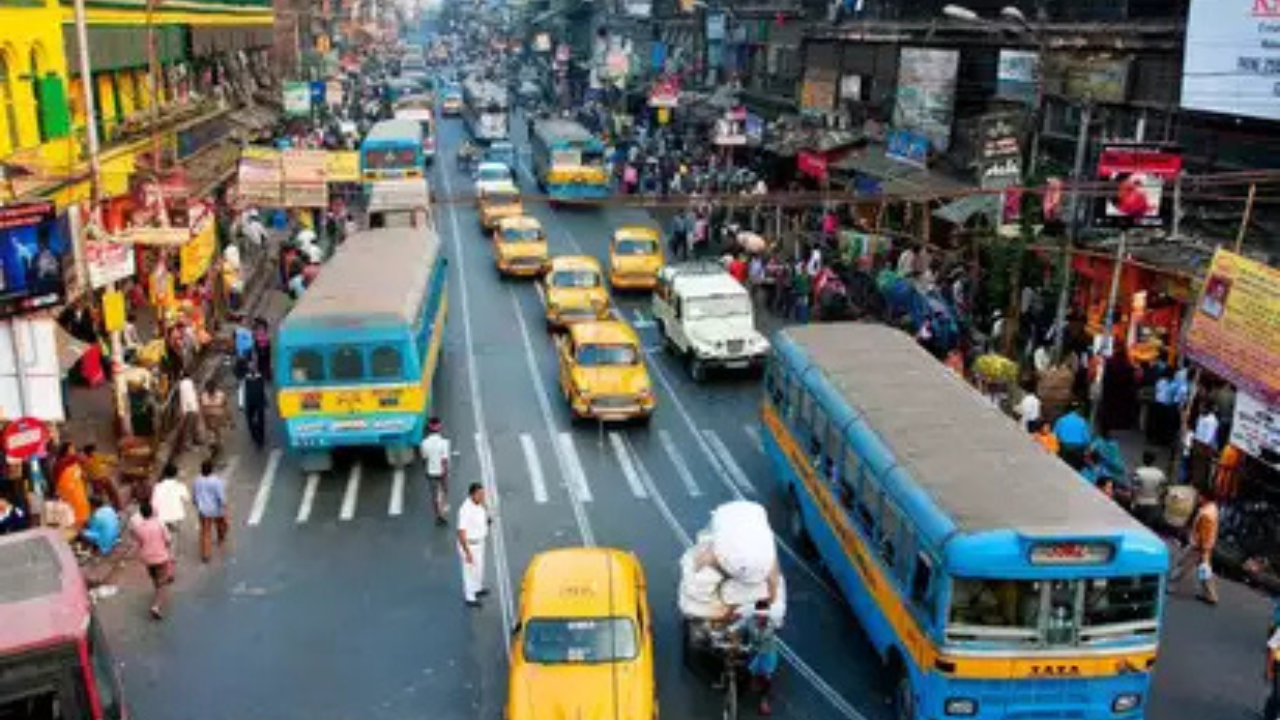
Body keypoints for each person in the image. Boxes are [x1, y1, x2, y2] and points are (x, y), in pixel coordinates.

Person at [1170, 486, 1219, 605]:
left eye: (1200, 496)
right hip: (1203, 546)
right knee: (1204, 570)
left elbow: (1204, 534)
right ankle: (1211, 595)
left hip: (1198, 546)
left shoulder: (1207, 513)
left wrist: (1202, 550)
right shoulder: (1211, 509)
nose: (1198, 498)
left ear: (1205, 497)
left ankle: (1169, 584)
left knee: (1183, 565)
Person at [731, 600, 780, 715]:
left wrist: (743, 647)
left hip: (767, 652)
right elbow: (737, 626)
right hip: (754, 651)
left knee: (766, 678)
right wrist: (730, 631)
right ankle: (743, 689)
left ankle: (764, 700)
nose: (762, 618)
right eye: (759, 615)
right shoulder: (750, 620)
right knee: (748, 673)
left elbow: (759, 640)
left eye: (764, 616)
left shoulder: (771, 625)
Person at [130, 500, 173, 620]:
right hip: (160, 557)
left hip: (147, 558)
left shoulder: (139, 527)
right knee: (162, 582)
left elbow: (138, 542)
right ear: (152, 512)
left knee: (154, 577)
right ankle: (156, 606)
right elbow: (168, 540)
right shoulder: (160, 524)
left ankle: (157, 594)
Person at [457, 482, 489, 607]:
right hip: (469, 545)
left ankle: (477, 589)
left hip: (479, 542)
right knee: (469, 571)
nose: (482, 496)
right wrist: (467, 552)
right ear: (472, 495)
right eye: (480, 494)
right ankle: (470, 597)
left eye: (483, 493)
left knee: (479, 568)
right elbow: (461, 532)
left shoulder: (479, 504)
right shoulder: (465, 510)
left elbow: (482, 517)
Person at [193, 459, 229, 563]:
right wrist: (224, 506)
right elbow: (221, 497)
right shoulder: (216, 481)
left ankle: (206, 554)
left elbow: (195, 496)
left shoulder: (197, 480)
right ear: (211, 470)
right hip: (216, 509)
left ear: (201, 470)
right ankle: (221, 538)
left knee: (205, 532)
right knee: (221, 524)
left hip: (203, 511)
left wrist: (197, 504)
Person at [420, 417, 452, 526]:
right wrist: (445, 472)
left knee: (434, 495)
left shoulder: (424, 443)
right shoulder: (444, 442)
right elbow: (444, 460)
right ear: (439, 427)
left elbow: (424, 459)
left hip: (430, 472)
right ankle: (443, 509)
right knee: (444, 491)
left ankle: (438, 515)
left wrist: (425, 471)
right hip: (441, 472)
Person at [151, 463, 192, 540]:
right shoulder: (180, 486)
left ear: (165, 474)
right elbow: (187, 499)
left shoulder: (158, 486)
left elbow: (153, 503)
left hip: (162, 517)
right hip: (176, 517)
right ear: (176, 474)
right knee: (172, 539)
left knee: (164, 539)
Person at [1131, 451, 1167, 527]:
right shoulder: (1160, 473)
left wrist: (1133, 502)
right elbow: (1164, 490)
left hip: (1140, 503)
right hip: (1153, 504)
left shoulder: (1139, 472)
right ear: (1154, 460)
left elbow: (1134, 489)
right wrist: (1159, 499)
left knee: (1136, 526)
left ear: (1143, 459)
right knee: (1148, 527)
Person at [1053, 402, 1092, 469]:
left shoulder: (1061, 420)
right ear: (1078, 410)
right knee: (1076, 470)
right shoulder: (1082, 421)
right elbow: (1086, 438)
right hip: (1078, 448)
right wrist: (1087, 450)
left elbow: (1054, 435)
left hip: (1064, 447)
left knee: (1063, 468)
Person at [240, 359, 269, 448]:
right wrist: (241, 404)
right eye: (250, 365)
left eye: (253, 365)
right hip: (249, 403)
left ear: (256, 367)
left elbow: (264, 389)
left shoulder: (260, 377)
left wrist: (266, 401)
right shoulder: (245, 378)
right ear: (248, 367)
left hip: (259, 401)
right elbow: (241, 391)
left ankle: (261, 440)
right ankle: (255, 435)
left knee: (261, 421)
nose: (252, 367)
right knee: (250, 421)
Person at [200, 379, 231, 449]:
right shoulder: (203, 396)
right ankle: (214, 442)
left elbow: (226, 407)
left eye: (211, 388)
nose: (210, 390)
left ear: (215, 388)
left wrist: (229, 418)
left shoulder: (221, 395)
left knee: (217, 431)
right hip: (208, 418)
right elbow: (201, 409)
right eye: (208, 389)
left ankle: (217, 442)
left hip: (218, 418)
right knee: (212, 431)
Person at [177, 372, 202, 451]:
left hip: (188, 408)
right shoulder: (189, 383)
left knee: (189, 427)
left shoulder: (182, 384)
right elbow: (191, 396)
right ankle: (188, 444)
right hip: (192, 408)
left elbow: (183, 397)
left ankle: (192, 441)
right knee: (190, 427)